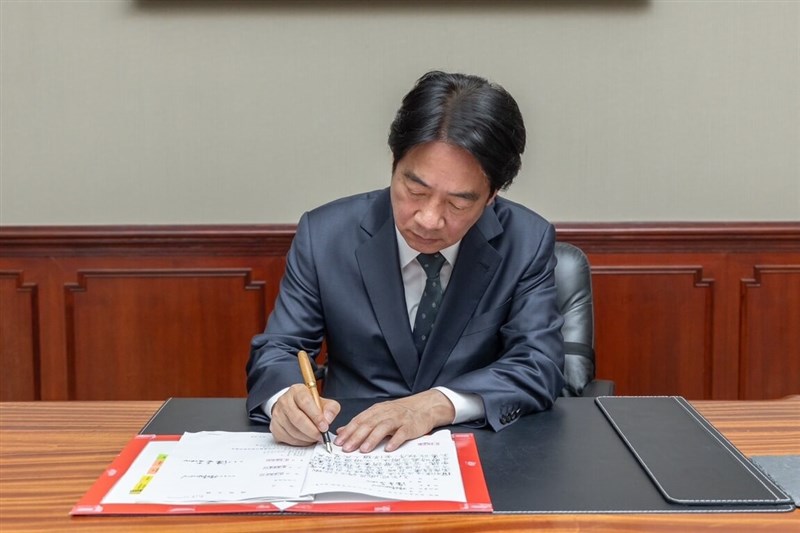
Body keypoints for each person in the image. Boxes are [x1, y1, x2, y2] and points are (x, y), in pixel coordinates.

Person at [246, 70, 565, 453]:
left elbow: (538, 364)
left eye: (458, 202)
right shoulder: (326, 235)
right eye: (415, 190)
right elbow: (280, 348)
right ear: (394, 164)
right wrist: (285, 400)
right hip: (347, 447)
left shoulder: (526, 241)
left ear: (492, 195)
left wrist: (435, 404)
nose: (429, 219)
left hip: (478, 452)